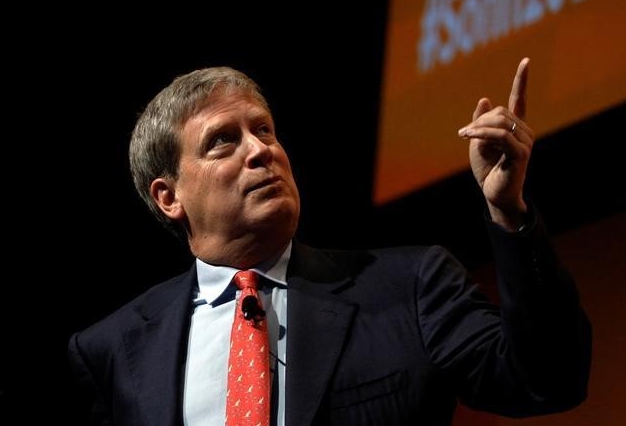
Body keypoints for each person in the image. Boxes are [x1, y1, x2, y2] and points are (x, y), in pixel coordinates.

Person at [68, 59, 591, 425]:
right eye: (224, 140)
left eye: (266, 131)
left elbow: (548, 379)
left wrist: (508, 211)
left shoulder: (409, 287)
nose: (260, 151)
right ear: (168, 196)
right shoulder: (111, 352)